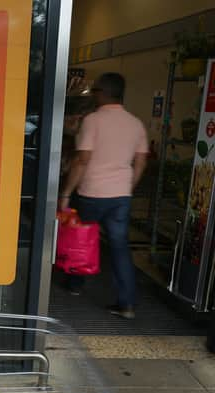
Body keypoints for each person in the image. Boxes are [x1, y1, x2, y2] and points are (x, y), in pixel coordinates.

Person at [58, 72, 148, 320]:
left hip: (92, 193)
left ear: (102, 93)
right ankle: (126, 304)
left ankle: (75, 284)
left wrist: (66, 193)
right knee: (119, 247)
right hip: (121, 196)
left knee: (83, 238)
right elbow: (140, 162)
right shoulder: (136, 123)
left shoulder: (93, 120)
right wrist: (127, 187)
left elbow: (82, 160)